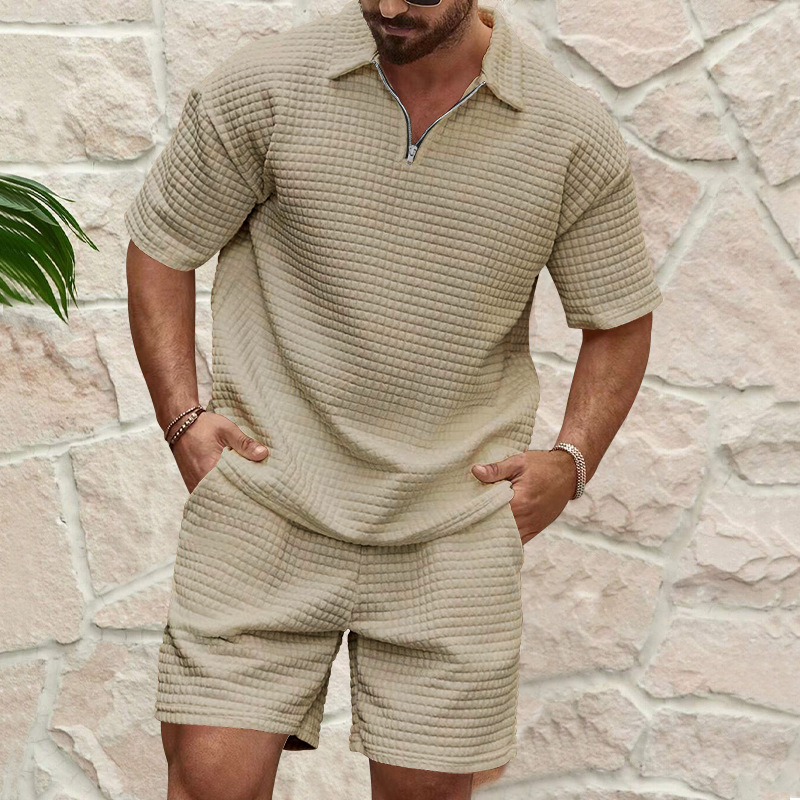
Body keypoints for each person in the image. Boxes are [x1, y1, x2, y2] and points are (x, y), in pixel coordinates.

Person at [124, 0, 662, 796]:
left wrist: (571, 458)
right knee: (210, 782)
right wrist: (183, 421)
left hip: (450, 525)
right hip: (267, 504)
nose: (392, 7)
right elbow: (161, 245)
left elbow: (619, 318)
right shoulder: (264, 87)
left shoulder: (568, 131)